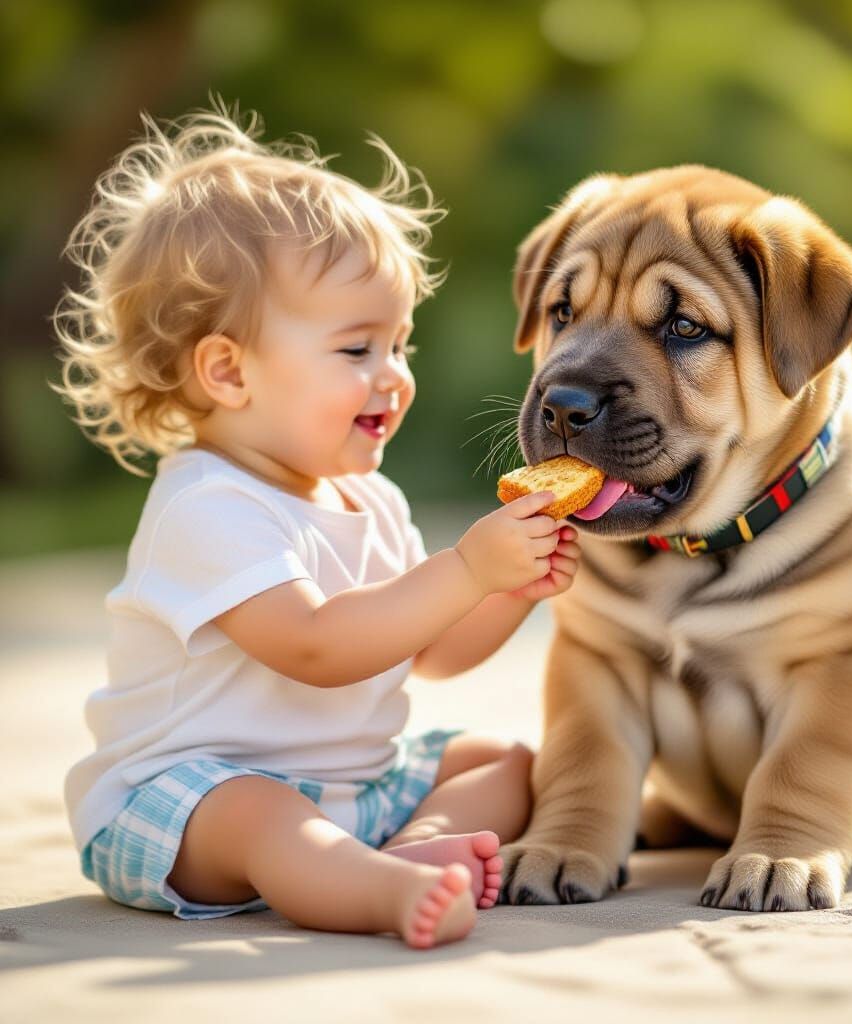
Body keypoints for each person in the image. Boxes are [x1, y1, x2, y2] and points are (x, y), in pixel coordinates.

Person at [53, 102, 580, 949]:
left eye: (400, 344)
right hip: (187, 804)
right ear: (229, 370)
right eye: (355, 350)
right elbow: (316, 648)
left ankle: (408, 852)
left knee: (506, 760)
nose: (394, 376)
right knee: (259, 814)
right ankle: (370, 892)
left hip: (349, 789)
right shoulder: (207, 506)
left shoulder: (372, 500)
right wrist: (468, 569)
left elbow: (431, 650)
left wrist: (512, 587)